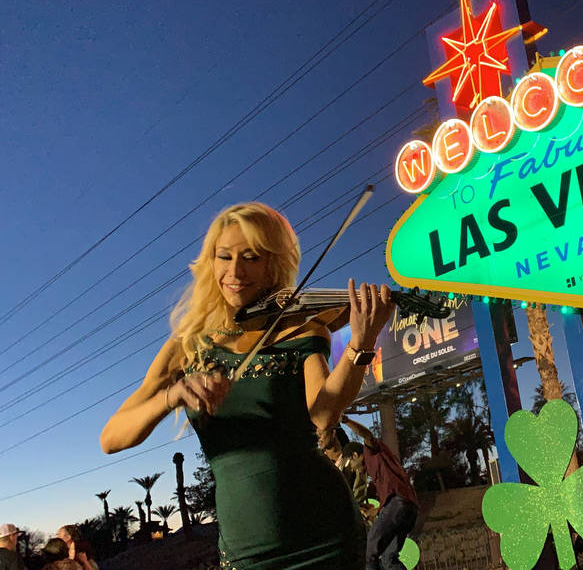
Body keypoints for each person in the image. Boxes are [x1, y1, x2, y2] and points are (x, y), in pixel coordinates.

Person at [99, 202, 394, 569]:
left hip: (326, 536)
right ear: (211, 262)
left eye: (251, 257)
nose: (235, 271)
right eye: (224, 257)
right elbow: (111, 439)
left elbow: (323, 414)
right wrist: (171, 396)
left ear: (274, 263)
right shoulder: (188, 345)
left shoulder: (300, 328)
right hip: (246, 549)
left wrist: (359, 346)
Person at [341, 416, 419, 570]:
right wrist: (374, 511)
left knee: (369, 552)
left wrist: (346, 420)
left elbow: (367, 435)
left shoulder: (371, 452)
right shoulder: (377, 466)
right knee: (389, 559)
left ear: (355, 455)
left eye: (352, 465)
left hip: (399, 503)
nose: (354, 469)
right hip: (408, 507)